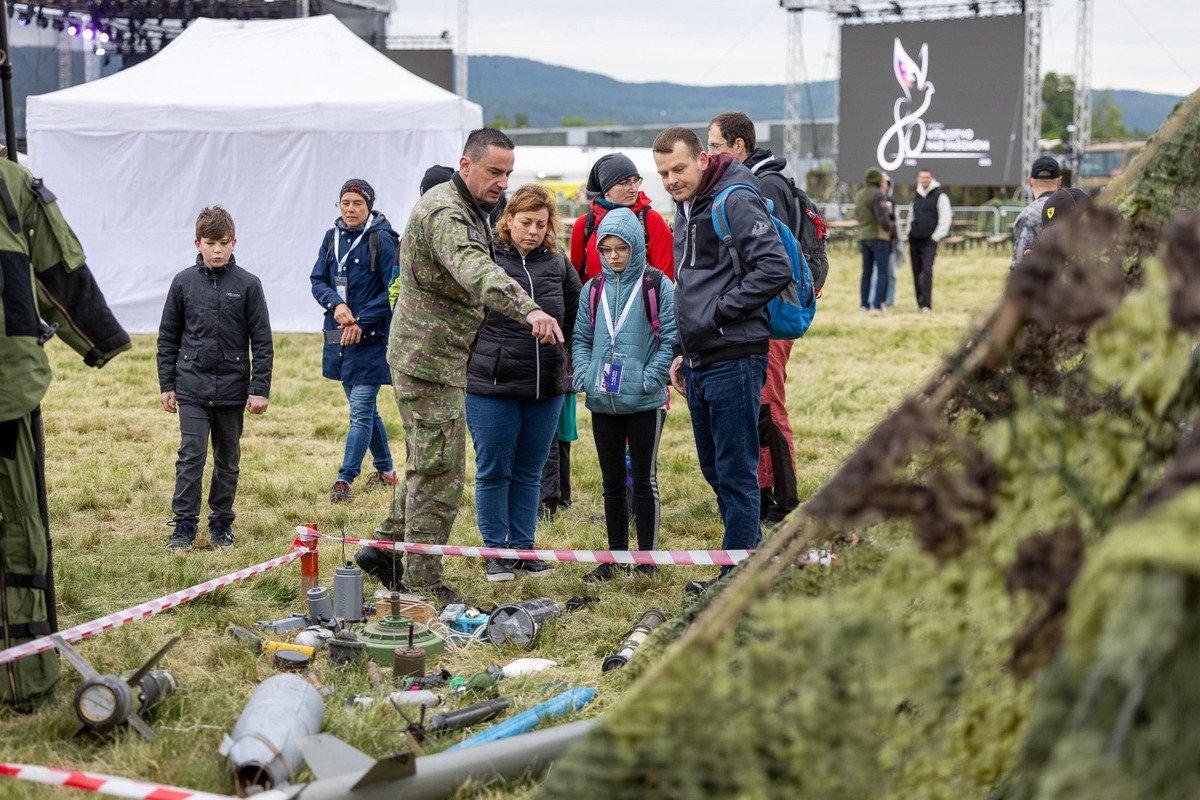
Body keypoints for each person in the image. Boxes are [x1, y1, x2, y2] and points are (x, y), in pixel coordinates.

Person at [358, 128, 564, 608]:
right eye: (494, 171)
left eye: (508, 173)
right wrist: (528, 308)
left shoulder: (468, 207)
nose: (502, 182)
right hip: (429, 362)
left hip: (437, 357)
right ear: (465, 165)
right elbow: (475, 268)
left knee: (424, 462)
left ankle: (382, 548)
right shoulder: (447, 212)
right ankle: (423, 582)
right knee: (441, 474)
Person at [0, 158, 130, 710]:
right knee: (17, 526)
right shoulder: (9, 180)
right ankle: (21, 679)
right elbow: (58, 268)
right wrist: (99, 339)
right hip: (6, 383)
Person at [652, 126, 792, 596]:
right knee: (716, 468)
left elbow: (775, 268)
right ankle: (746, 562)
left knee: (736, 470)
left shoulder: (734, 198)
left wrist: (718, 314)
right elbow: (689, 284)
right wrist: (679, 349)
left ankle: (738, 578)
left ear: (701, 158)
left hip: (735, 354)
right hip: (699, 358)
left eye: (678, 168)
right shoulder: (686, 206)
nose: (671, 180)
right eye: (663, 173)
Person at [465, 184, 580, 583]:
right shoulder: (486, 260)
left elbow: (576, 317)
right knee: (494, 469)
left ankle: (524, 548)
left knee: (530, 470)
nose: (532, 230)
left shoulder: (558, 264)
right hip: (491, 384)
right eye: (526, 222)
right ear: (508, 219)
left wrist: (569, 364)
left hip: (546, 386)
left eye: (541, 224)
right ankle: (496, 551)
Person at [158, 206, 273, 551]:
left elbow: (262, 341)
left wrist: (259, 389)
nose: (218, 250)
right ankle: (183, 526)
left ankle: (221, 522)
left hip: (233, 390)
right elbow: (168, 337)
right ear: (198, 243)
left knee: (228, 459)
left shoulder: (249, 285)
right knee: (191, 454)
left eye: (224, 242)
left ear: (234, 242)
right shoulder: (182, 283)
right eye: (211, 243)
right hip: (191, 386)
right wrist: (167, 384)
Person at [572, 207, 677, 583]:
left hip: (645, 400)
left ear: (637, 246)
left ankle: (646, 561)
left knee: (645, 481)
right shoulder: (593, 288)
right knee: (612, 482)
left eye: (622, 248)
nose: (614, 256)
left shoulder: (658, 285)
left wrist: (651, 378)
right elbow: (581, 339)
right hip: (603, 399)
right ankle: (614, 557)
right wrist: (584, 374)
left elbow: (670, 339)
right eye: (607, 249)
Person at [707, 110, 801, 525]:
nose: (708, 156)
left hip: (767, 316)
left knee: (768, 406)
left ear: (737, 147)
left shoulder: (759, 187)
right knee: (760, 408)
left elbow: (772, 263)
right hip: (759, 313)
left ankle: (781, 500)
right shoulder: (764, 181)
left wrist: (729, 305)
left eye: (714, 146)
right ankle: (763, 495)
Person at [312, 179, 399, 503]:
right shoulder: (330, 237)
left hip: (371, 336)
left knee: (360, 410)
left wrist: (360, 320)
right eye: (345, 203)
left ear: (369, 207)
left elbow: (392, 289)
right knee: (362, 409)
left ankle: (345, 479)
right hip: (337, 332)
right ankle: (387, 470)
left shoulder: (383, 239)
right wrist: (336, 304)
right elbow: (317, 280)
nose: (350, 209)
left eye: (357, 204)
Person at [570, 152, 674, 282]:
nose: (633, 189)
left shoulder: (651, 220)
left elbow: (665, 279)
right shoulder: (584, 225)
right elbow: (575, 280)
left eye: (635, 181)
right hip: (596, 301)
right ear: (606, 188)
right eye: (624, 183)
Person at [906, 168, 951, 311]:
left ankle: (926, 304)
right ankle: (919, 303)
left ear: (931, 178)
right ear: (918, 179)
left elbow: (945, 218)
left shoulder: (940, 196)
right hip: (914, 240)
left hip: (929, 241)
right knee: (915, 272)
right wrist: (908, 233)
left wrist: (936, 236)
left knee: (927, 271)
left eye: (927, 177)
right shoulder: (916, 197)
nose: (924, 180)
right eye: (921, 177)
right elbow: (910, 217)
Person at [1011, 156, 1063, 269]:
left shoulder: (1028, 216)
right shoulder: (1075, 211)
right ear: (1059, 181)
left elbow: (1019, 266)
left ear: (1029, 181)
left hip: (1039, 284)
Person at [857, 166, 895, 313]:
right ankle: (877, 305)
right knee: (881, 271)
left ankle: (864, 304)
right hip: (879, 237)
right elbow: (882, 217)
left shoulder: (859, 194)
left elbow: (857, 216)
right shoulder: (879, 195)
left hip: (864, 237)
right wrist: (889, 228)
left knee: (866, 271)